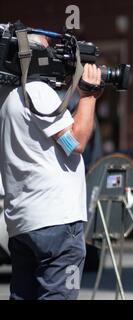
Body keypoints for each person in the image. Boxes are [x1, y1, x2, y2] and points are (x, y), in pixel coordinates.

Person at [0, 33, 102, 300]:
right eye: (50, 51)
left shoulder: (11, 99)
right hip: (56, 223)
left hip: (23, 225)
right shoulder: (38, 93)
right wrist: (88, 96)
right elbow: (75, 142)